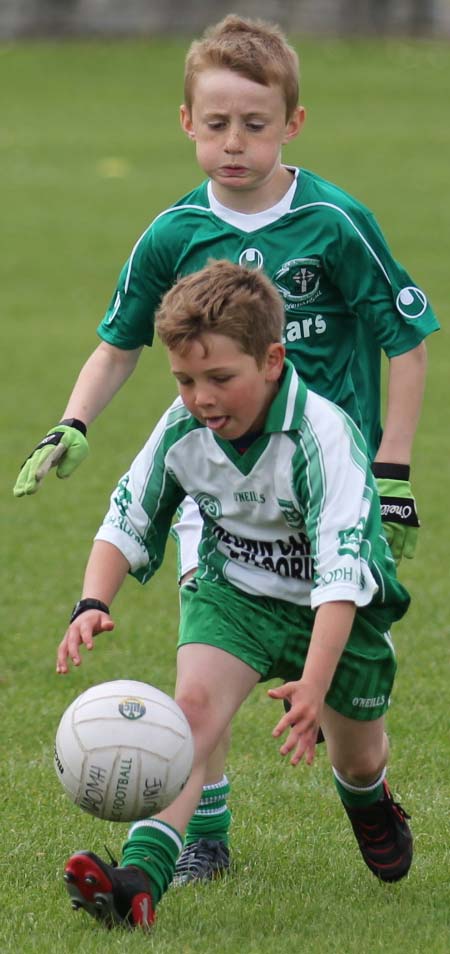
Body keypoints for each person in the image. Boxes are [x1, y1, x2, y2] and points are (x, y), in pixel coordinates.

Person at [16, 15, 438, 882]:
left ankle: (366, 792)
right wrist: (74, 421)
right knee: (196, 698)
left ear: (292, 122)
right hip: (224, 494)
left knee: (354, 746)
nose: (234, 143)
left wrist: (391, 473)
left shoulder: (333, 221)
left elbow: (409, 343)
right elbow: (121, 340)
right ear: (186, 125)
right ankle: (177, 853)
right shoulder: (173, 235)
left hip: (329, 494)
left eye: (254, 123)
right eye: (216, 125)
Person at [58, 261, 413, 931]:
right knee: (189, 717)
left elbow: (341, 576)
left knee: (357, 756)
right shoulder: (184, 428)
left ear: (273, 360)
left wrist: (313, 684)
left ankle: (370, 800)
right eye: (186, 380)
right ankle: (138, 882)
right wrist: (91, 601)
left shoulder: (322, 437)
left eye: (221, 378)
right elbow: (131, 514)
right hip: (237, 595)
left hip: (334, 612)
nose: (202, 398)